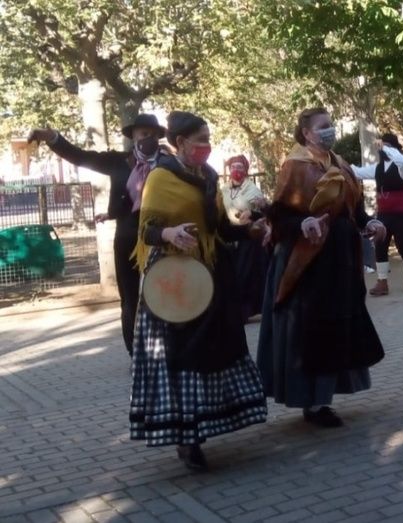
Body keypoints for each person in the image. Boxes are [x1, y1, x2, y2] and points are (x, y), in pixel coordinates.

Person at [130, 111, 268, 470]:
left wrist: (249, 231)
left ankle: (207, 424)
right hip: (174, 279)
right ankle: (186, 439)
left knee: (214, 348)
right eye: (201, 139)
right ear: (180, 142)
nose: (207, 145)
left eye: (208, 138)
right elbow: (145, 230)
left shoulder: (208, 176)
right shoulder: (160, 177)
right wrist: (169, 233)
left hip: (213, 273)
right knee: (182, 353)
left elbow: (219, 227)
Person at [256, 107, 386, 428]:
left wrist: (370, 223)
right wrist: (303, 222)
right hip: (307, 262)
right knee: (310, 329)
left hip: (340, 260)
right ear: (307, 133)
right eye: (323, 126)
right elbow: (279, 215)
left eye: (331, 125)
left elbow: (354, 209)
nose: (330, 130)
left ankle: (325, 397)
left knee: (337, 327)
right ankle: (312, 403)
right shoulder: (295, 166)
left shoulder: (340, 164)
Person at [27, 114, 168, 356]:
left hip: (161, 237)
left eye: (153, 135)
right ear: (133, 136)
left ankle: (165, 352)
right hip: (128, 237)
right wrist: (52, 138)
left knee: (163, 294)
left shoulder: (168, 164)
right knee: (130, 298)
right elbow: (81, 157)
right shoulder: (119, 161)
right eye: (144, 134)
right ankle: (136, 353)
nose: (149, 139)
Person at [351, 133, 403, 296]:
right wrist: (338, 163)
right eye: (381, 146)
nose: (382, 149)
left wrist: (386, 147)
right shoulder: (377, 168)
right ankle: (382, 282)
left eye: (386, 146)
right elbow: (357, 172)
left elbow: (402, 161)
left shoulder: (402, 167)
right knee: (380, 245)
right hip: (384, 214)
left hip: (401, 213)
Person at [220, 154, 270, 321]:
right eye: (233, 167)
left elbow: (263, 213)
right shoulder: (224, 190)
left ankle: (244, 312)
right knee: (232, 274)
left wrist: (251, 213)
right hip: (229, 236)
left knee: (245, 274)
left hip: (248, 237)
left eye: (240, 167)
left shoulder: (252, 189)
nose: (236, 170)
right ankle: (236, 311)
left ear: (246, 170)